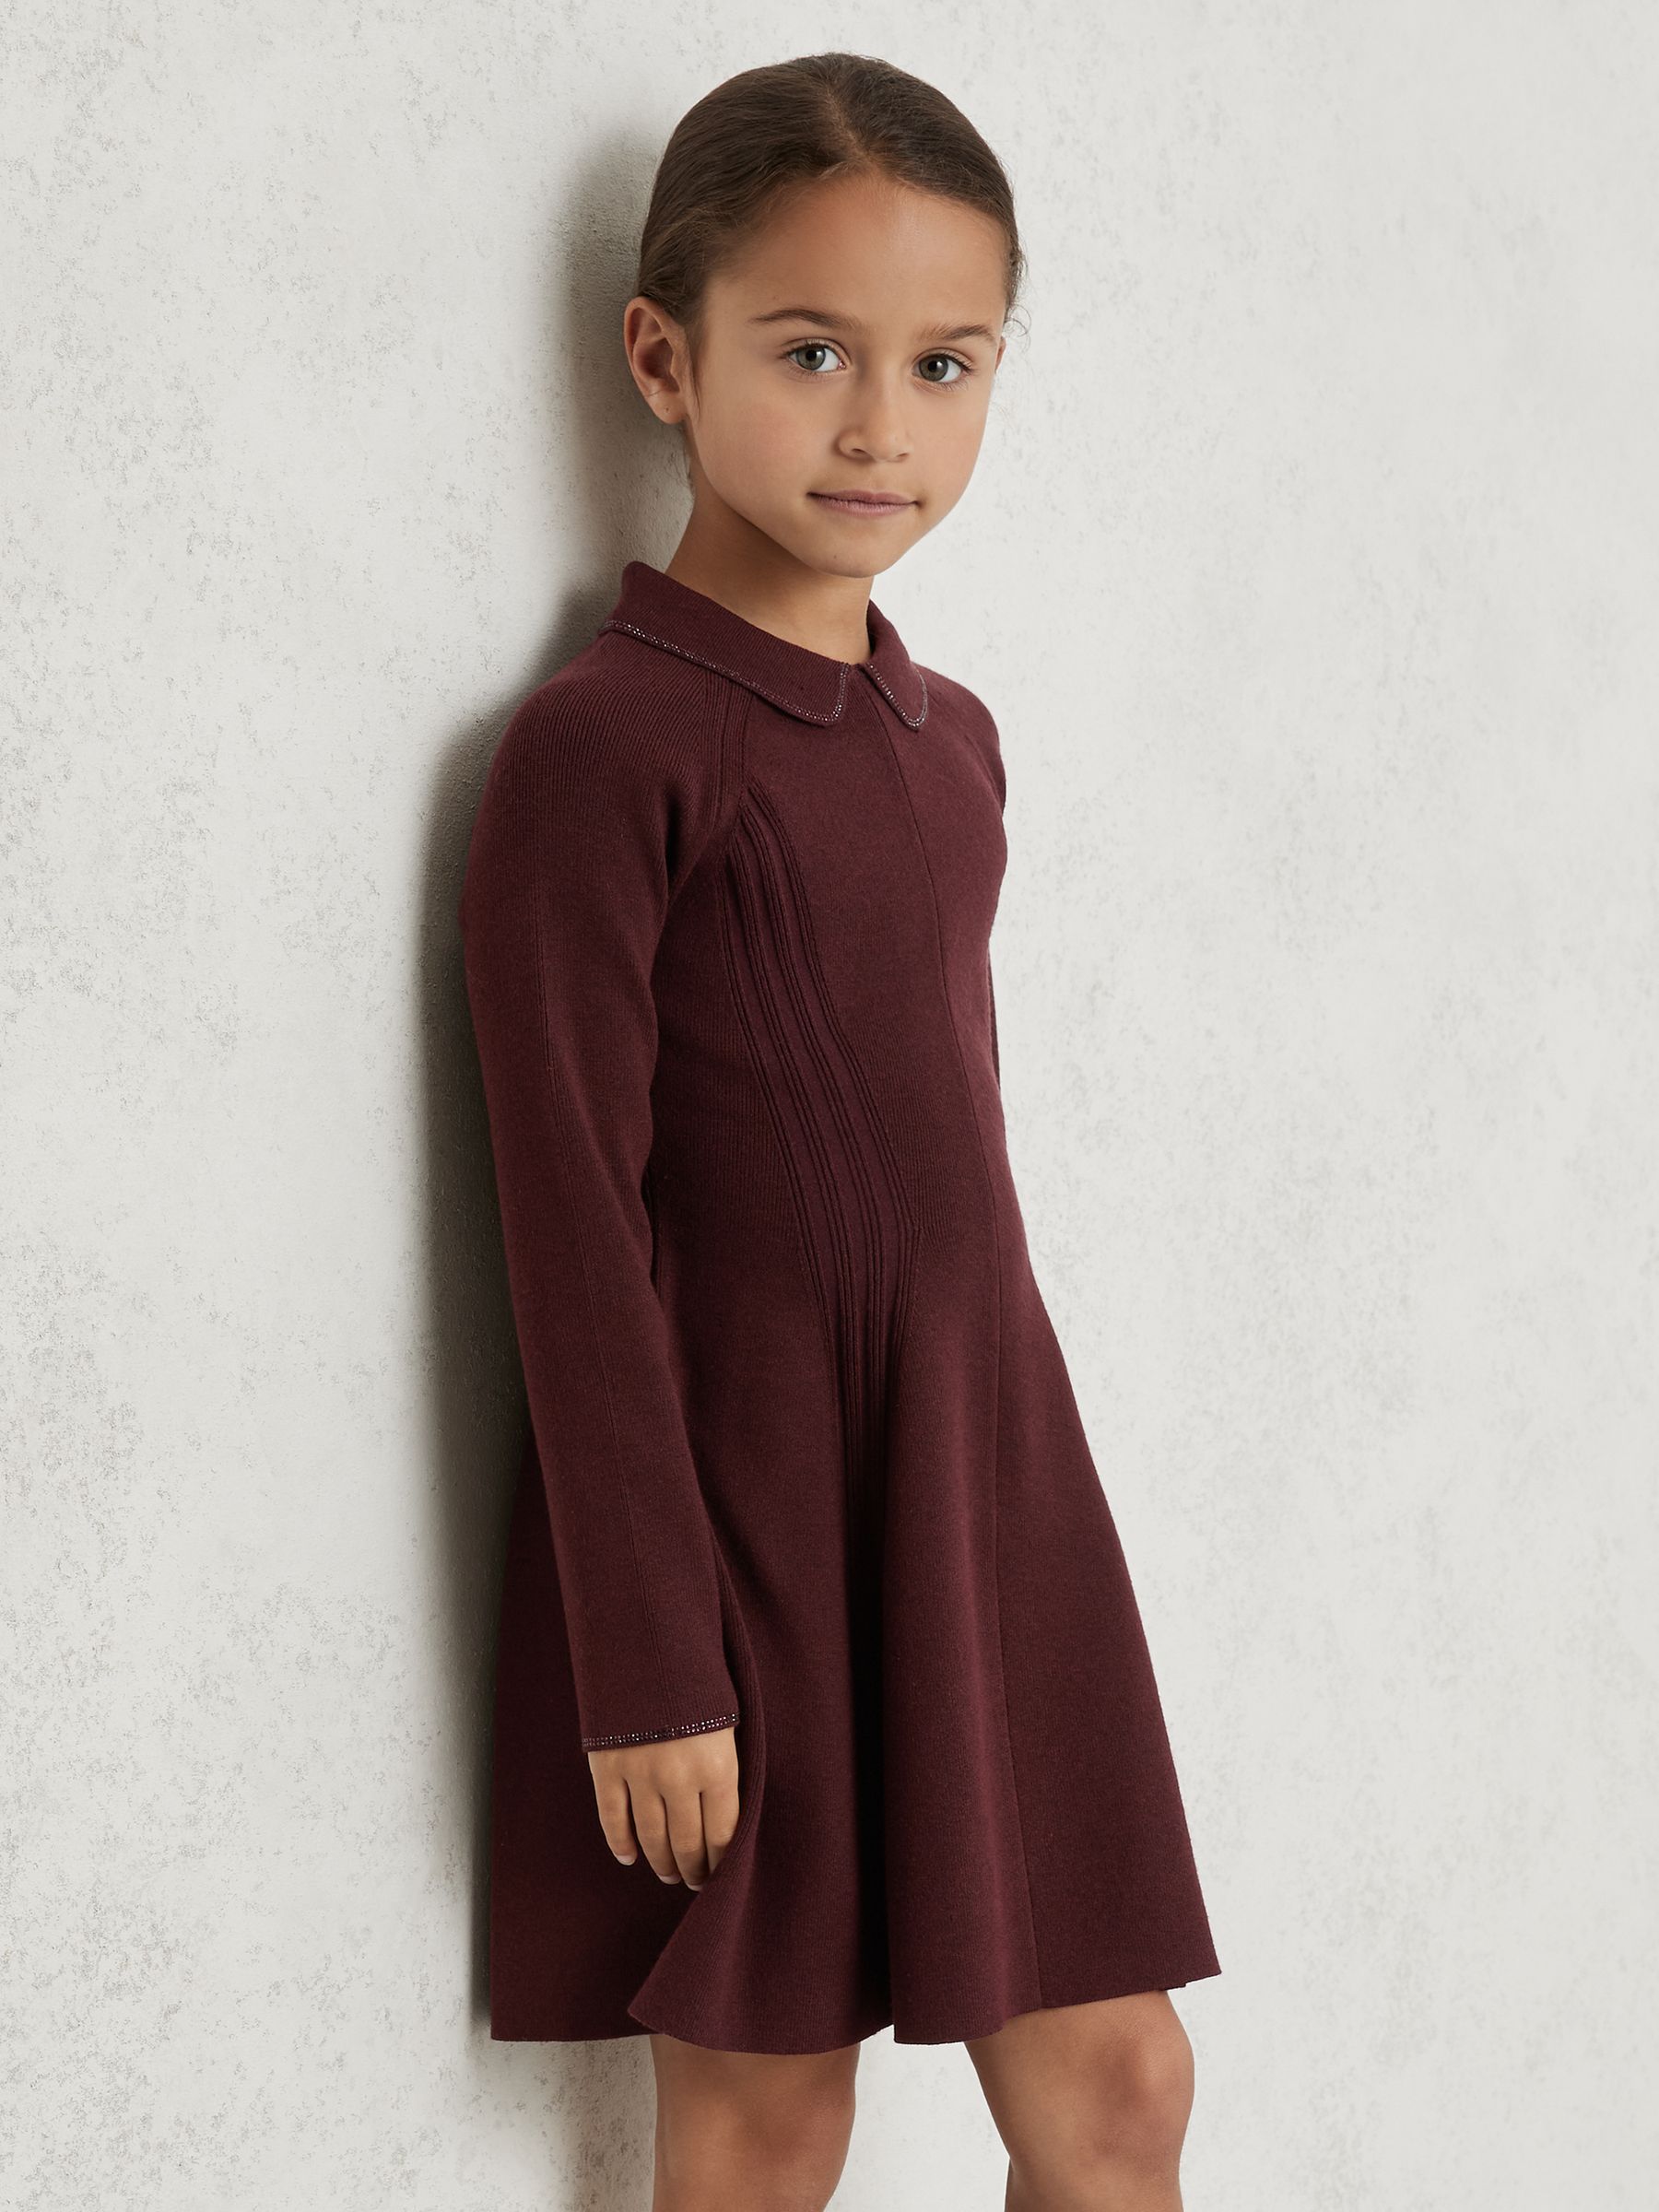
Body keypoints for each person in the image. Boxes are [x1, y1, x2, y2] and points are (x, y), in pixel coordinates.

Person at [458, 50, 1221, 2211]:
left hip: (983, 1478)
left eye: (944, 363)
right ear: (663, 361)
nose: (883, 425)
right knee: (770, 2111)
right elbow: (570, 1222)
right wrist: (648, 1659)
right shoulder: (604, 751)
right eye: (812, 354)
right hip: (751, 1526)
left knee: (1120, 2090)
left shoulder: (949, 737)